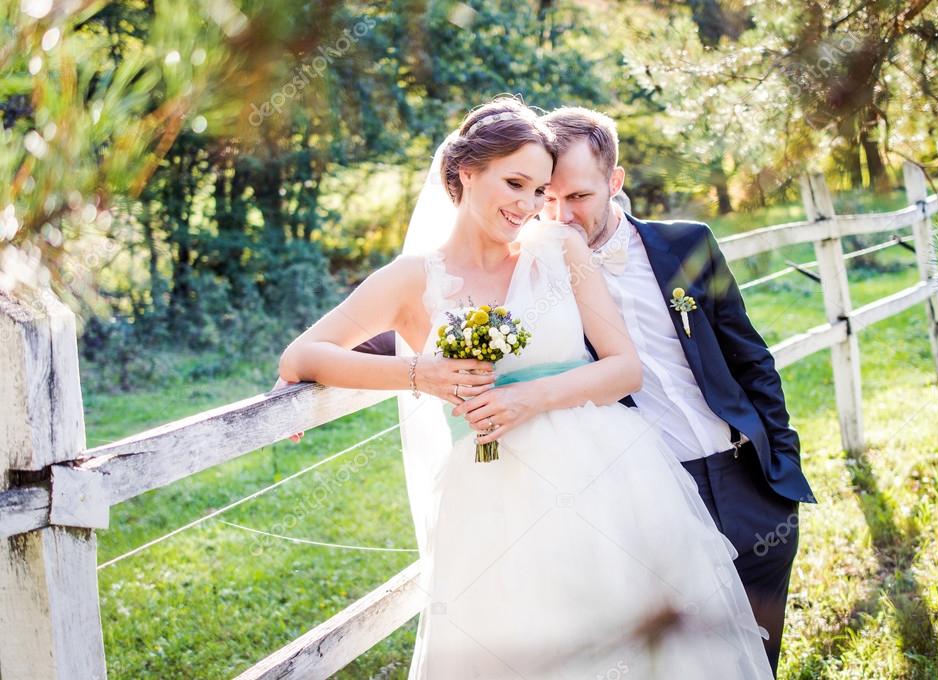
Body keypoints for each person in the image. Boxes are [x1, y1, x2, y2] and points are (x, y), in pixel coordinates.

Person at [276, 96, 772, 678]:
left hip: (610, 474)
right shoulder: (413, 279)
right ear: (466, 172)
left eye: (539, 191)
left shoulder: (560, 251)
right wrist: (420, 374)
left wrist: (524, 399)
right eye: (515, 183)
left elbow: (623, 369)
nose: (530, 206)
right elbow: (304, 354)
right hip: (494, 494)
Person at [538, 106, 817, 675]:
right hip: (659, 495)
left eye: (579, 197)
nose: (562, 216)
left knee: (760, 655)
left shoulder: (689, 244)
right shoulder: (538, 275)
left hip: (751, 482)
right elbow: (450, 308)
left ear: (615, 183)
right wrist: (310, 368)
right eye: (548, 198)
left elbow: (750, 356)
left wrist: (781, 458)